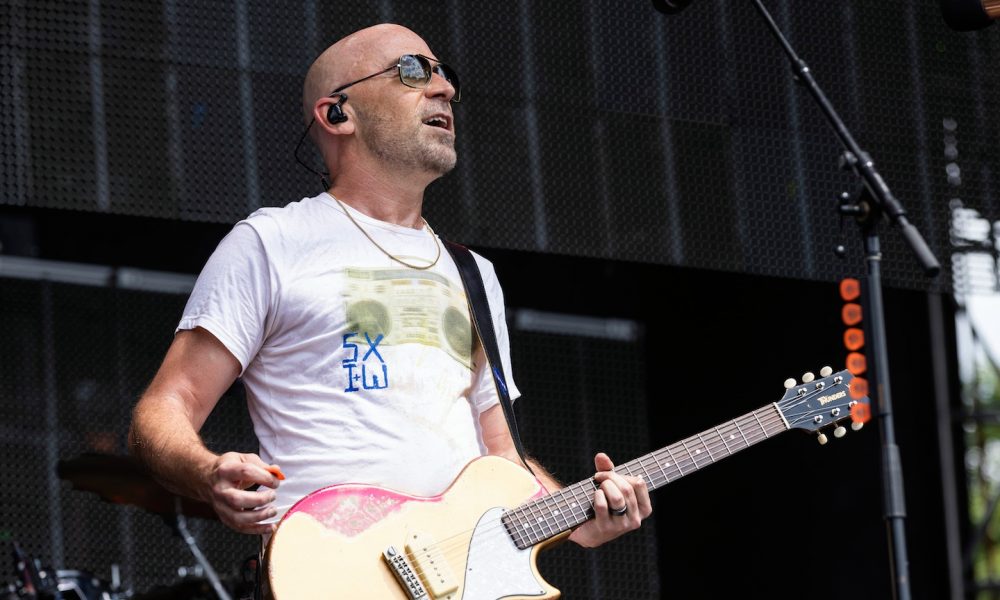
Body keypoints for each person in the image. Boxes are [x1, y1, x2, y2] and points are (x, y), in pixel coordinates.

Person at [128, 23, 651, 553]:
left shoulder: (473, 274)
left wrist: (575, 514)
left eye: (445, 75)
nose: (444, 89)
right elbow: (168, 404)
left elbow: (502, 460)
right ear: (337, 113)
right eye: (412, 71)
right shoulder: (272, 242)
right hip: (331, 570)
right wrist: (207, 470)